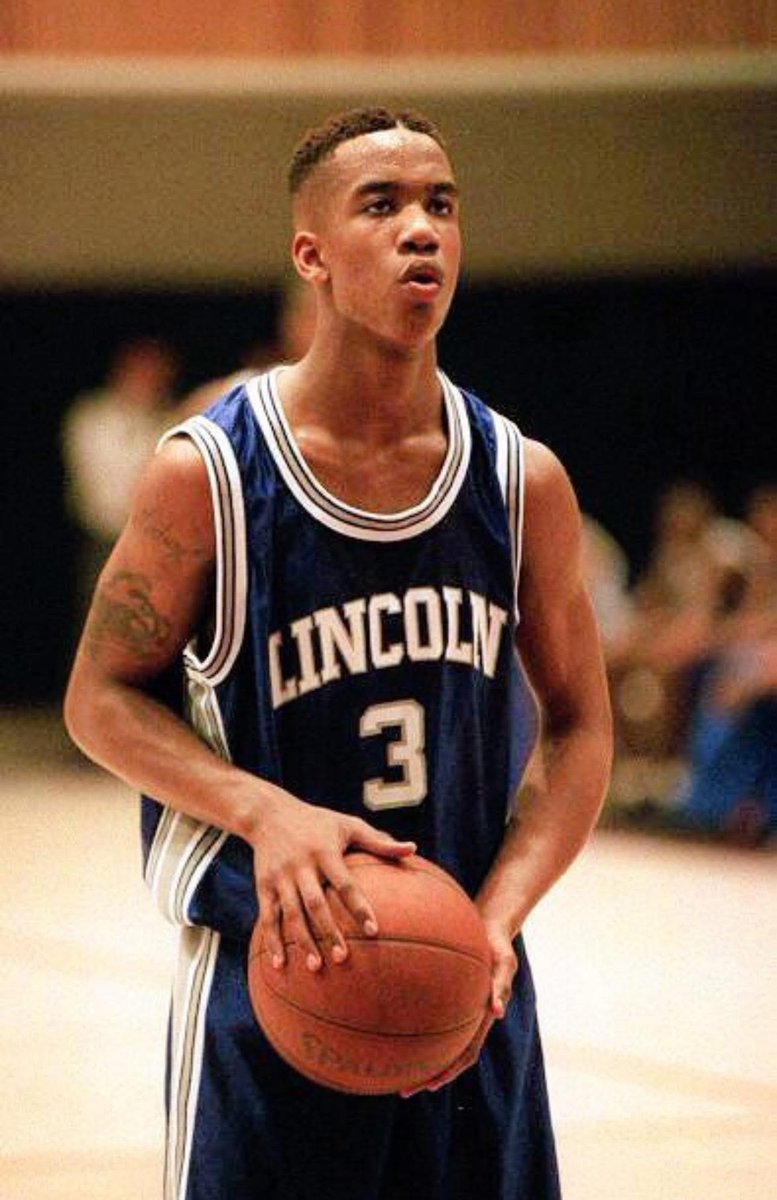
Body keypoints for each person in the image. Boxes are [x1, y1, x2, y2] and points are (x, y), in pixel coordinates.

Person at [64, 107, 612, 1200]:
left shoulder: (522, 482)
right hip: (272, 983)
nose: (424, 231)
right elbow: (98, 701)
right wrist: (265, 811)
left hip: (467, 988)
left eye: (442, 205)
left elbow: (584, 723)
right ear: (310, 256)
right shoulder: (209, 475)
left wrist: (496, 918)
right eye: (385, 205)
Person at [61, 337, 179, 611]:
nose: (150, 382)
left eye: (158, 374)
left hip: (156, 542)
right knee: (102, 618)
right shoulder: (93, 416)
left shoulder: (170, 420)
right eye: (143, 371)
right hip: (105, 539)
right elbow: (104, 489)